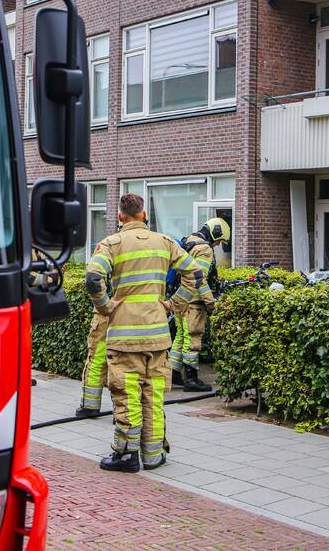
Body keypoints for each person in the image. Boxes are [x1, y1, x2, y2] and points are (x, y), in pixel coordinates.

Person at [85, 193, 205, 473]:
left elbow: (93, 278)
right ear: (145, 214)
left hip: (125, 337)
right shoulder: (165, 242)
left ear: (120, 216)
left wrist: (105, 306)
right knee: (153, 396)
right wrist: (175, 304)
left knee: (127, 395)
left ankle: (127, 455)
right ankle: (153, 455)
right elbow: (196, 274)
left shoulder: (112, 244)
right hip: (158, 336)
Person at [170, 217, 229, 392]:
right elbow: (199, 279)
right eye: (219, 241)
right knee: (192, 337)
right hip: (193, 302)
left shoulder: (189, 241)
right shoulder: (204, 249)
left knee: (181, 336)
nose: (218, 245)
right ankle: (191, 379)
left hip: (180, 298)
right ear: (215, 233)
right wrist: (210, 303)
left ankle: (173, 372)